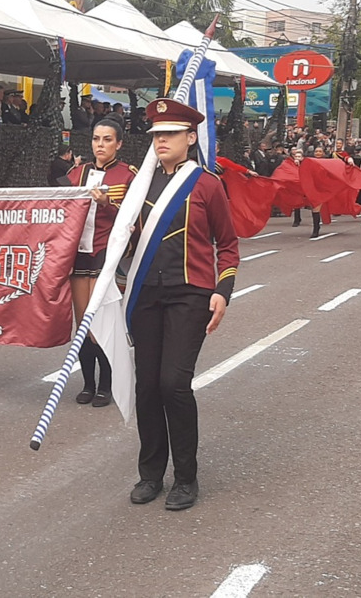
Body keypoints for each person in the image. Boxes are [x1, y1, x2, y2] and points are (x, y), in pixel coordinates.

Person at [128, 98, 239, 511]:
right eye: (157, 134)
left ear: (190, 138)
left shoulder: (207, 184)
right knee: (146, 386)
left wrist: (222, 291)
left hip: (190, 293)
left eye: (170, 134)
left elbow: (227, 245)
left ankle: (186, 478)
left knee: (173, 383)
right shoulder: (140, 185)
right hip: (146, 296)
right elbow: (125, 240)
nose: (161, 141)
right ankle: (150, 474)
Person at [67, 120, 137, 407]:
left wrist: (108, 204)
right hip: (78, 255)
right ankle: (88, 383)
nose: (100, 144)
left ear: (118, 144)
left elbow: (135, 219)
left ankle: (107, 385)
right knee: (82, 323)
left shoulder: (128, 175)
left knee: (101, 324)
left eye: (107, 139)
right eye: (96, 139)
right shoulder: (77, 173)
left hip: (106, 255)